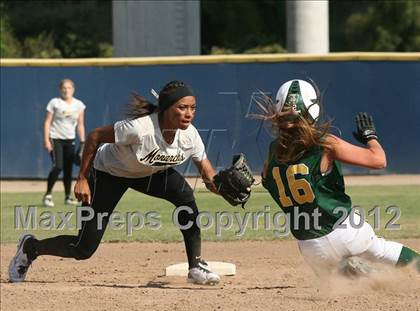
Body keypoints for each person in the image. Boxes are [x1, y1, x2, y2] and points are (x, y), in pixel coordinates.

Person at [9, 80, 221, 285]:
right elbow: (94, 136)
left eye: (193, 108)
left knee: (185, 196)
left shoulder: (190, 136)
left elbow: (209, 176)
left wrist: (223, 188)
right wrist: (82, 178)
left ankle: (195, 266)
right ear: (165, 108)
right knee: (84, 248)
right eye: (182, 107)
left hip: (149, 173)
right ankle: (31, 247)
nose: (189, 113)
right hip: (108, 174)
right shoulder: (140, 128)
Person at [258, 79, 420, 276]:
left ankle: (351, 272)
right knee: (379, 249)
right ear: (313, 109)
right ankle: (365, 269)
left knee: (333, 277)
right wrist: (371, 137)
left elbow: (266, 180)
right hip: (346, 233)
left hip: (312, 249)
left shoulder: (272, 151)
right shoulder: (325, 144)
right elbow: (379, 161)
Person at [43, 79, 86, 207]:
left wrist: (83, 142)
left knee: (68, 170)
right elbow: (47, 122)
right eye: (64, 87)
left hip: (70, 140)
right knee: (58, 166)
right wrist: (46, 140)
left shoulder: (79, 105)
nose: (66, 90)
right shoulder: (55, 103)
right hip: (56, 138)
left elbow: (80, 124)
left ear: (73, 90)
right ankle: (48, 195)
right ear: (60, 89)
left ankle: (67, 197)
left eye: (68, 87)